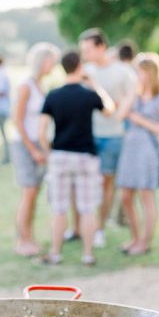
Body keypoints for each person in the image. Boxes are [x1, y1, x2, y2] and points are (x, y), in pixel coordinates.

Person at [39, 49, 115, 266]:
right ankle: (88, 254)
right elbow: (109, 110)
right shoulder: (88, 94)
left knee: (59, 207)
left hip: (60, 155)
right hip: (85, 156)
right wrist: (95, 85)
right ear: (80, 67)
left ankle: (55, 253)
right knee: (87, 207)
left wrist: (48, 152)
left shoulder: (53, 95)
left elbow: (41, 131)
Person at [79, 28, 135, 249]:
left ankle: (100, 228)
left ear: (101, 47)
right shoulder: (84, 71)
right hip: (89, 135)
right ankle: (82, 228)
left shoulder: (121, 72)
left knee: (106, 184)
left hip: (113, 135)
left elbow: (130, 100)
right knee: (87, 186)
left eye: (88, 49)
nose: (85, 54)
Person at [116, 53, 159, 256]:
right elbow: (120, 115)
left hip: (148, 151)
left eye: (140, 71)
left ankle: (145, 242)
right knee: (125, 196)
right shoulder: (136, 96)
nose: (137, 75)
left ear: (150, 72)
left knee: (146, 197)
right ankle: (134, 237)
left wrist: (141, 121)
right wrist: (132, 93)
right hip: (130, 150)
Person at [11, 42, 60, 257]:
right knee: (28, 192)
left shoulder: (40, 86)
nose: (55, 65)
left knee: (35, 193)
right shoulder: (26, 85)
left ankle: (30, 237)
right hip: (24, 144)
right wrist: (32, 149)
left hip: (37, 144)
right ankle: (23, 240)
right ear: (44, 60)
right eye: (52, 60)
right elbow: (18, 121)